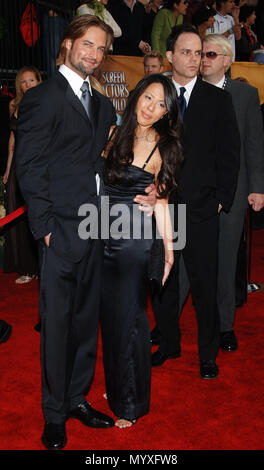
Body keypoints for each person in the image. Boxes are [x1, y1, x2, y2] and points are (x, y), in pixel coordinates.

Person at [16, 14, 154, 451]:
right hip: (61, 232)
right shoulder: (43, 97)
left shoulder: (101, 104)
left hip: (99, 228)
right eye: (87, 44)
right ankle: (54, 413)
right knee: (57, 326)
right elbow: (30, 167)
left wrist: (151, 192)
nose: (93, 53)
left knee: (84, 324)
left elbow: (106, 165)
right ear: (69, 43)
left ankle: (76, 398)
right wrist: (45, 231)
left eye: (100, 48)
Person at [151, 24, 240, 379]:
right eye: (186, 52)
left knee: (204, 283)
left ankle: (207, 354)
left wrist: (221, 198)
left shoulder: (218, 99)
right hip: (161, 207)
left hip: (203, 207)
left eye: (199, 52)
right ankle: (169, 343)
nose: (194, 58)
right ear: (170, 56)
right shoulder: (154, 95)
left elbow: (229, 154)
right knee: (164, 282)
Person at [101, 73, 183, 428]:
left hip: (133, 240)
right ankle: (119, 385)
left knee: (132, 321)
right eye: (148, 98)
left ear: (167, 113)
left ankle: (130, 403)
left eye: (161, 104)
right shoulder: (113, 134)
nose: (152, 108)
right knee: (109, 320)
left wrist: (168, 250)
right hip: (99, 233)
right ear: (136, 96)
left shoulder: (163, 147)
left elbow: (162, 203)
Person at [200, 34, 264, 350]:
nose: (204, 59)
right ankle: (171, 324)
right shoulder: (186, 91)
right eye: (201, 54)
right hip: (195, 193)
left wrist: (257, 188)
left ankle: (225, 325)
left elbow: (254, 144)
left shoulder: (244, 93)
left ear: (226, 60)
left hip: (235, 192)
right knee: (186, 256)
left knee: (226, 260)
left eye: (210, 54)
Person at [3, 66, 41, 284]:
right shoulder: (14, 105)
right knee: (16, 215)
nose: (27, 85)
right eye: (24, 82)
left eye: (31, 81)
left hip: (35, 163)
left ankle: (36, 265)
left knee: (32, 216)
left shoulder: (44, 104)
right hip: (18, 164)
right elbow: (12, 141)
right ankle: (24, 266)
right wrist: (8, 169)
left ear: (38, 81)